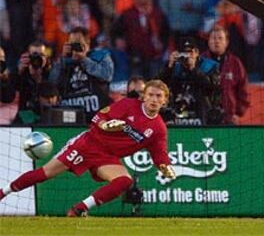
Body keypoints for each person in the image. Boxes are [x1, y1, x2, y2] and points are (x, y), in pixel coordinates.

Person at [0, 79, 176, 216]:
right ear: (143, 96)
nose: (154, 99)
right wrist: (105, 126)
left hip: (107, 157)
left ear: (165, 101)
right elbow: (98, 117)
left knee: (124, 181)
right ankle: (3, 192)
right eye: (151, 95)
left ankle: (79, 209)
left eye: (159, 96)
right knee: (45, 174)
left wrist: (165, 166)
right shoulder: (128, 105)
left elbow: (159, 153)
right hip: (88, 144)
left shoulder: (159, 128)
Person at [49, 27, 114, 121]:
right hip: (70, 116)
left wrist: (84, 59)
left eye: (78, 43)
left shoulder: (100, 56)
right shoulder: (64, 62)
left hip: (96, 115)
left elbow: (106, 75)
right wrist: (62, 59)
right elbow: (52, 83)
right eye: (72, 43)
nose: (75, 46)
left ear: (87, 42)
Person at [158, 37, 221, 125]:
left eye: (190, 52)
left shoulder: (210, 66)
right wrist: (169, 67)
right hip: (177, 111)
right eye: (184, 53)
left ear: (197, 52)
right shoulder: (174, 66)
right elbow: (158, 85)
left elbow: (213, 87)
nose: (187, 56)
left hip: (203, 112)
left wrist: (193, 69)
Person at [203, 25, 250, 124]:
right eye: (213, 38)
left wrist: (238, 113)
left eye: (220, 38)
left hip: (229, 119)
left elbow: (244, 90)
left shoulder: (235, 63)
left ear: (226, 42)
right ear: (208, 41)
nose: (217, 41)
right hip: (204, 117)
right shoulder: (200, 62)